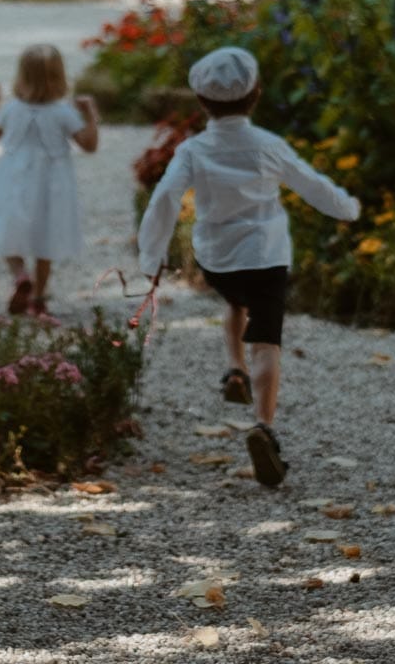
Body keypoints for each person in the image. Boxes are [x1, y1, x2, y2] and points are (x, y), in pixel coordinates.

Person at [135, 46, 360, 487]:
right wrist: (347, 208)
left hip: (217, 259)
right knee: (267, 339)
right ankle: (263, 425)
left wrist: (152, 256)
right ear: (255, 93)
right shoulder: (266, 146)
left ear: (201, 102)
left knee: (235, 303)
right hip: (266, 256)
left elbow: (164, 199)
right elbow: (310, 183)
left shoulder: (193, 150)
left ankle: (233, 368)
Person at [0, 44, 100, 318]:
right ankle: (39, 297)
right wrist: (90, 116)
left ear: (22, 76)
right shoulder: (63, 113)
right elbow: (89, 146)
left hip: (13, 179)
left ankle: (20, 275)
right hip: (52, 183)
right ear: (59, 77)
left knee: (7, 232)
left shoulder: (12, 109)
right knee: (47, 238)